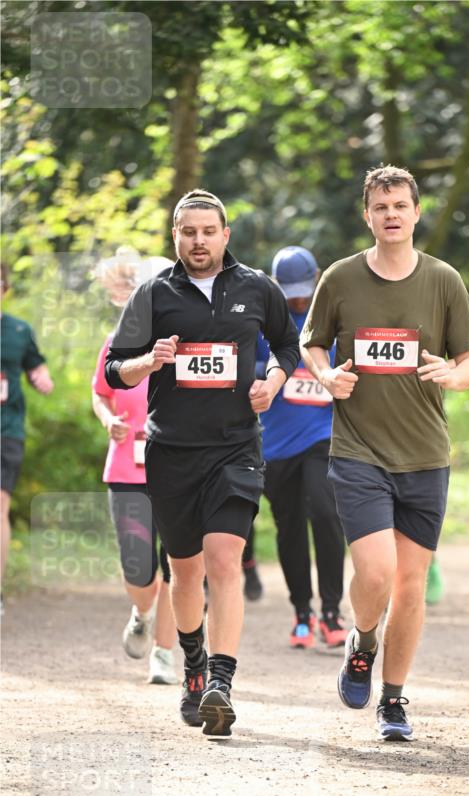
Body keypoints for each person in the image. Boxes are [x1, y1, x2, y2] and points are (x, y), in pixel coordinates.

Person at [105, 190, 300, 735]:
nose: (198, 241)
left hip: (237, 448)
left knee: (224, 560)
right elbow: (116, 369)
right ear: (175, 236)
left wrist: (272, 383)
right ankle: (192, 664)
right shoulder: (153, 294)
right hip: (171, 453)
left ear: (225, 235)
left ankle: (221, 681)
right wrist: (151, 359)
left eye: (208, 231)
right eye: (188, 232)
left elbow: (288, 344)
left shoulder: (257, 287)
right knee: (184, 572)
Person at [300, 165, 469, 741]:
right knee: (376, 572)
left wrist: (452, 376)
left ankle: (394, 699)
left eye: (401, 205)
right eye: (381, 208)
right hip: (358, 448)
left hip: (426, 453)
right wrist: (327, 376)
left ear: (416, 212)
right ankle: (361, 639)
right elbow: (312, 345)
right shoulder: (340, 278)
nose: (392, 215)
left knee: (411, 583)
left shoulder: (444, 280)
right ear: (368, 215)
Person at [91, 249, 178, 684]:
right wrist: (109, 420)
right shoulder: (118, 340)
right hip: (127, 467)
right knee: (137, 567)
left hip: (178, 468)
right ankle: (141, 611)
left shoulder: (190, 344)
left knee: (176, 567)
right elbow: (101, 391)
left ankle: (164, 653)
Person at [256, 246, 347, 649]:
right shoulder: (265, 322)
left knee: (327, 513)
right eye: (288, 290)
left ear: (317, 279)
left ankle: (331, 611)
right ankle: (301, 613)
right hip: (275, 445)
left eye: (302, 288)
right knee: (289, 527)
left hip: (321, 437)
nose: (296, 298)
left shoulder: (331, 318)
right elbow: (244, 365)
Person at [1, 261, 54, 607]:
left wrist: (42, 379)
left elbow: (37, 367)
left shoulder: (19, 331)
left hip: (7, 430)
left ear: (5, 288)